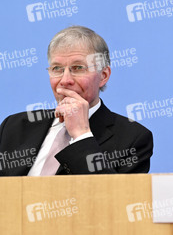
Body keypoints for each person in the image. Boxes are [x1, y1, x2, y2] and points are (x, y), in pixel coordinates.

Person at [0, 26, 153, 176]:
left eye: (78, 68)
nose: (65, 80)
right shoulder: (13, 127)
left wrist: (81, 135)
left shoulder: (133, 139)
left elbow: (112, 197)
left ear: (103, 75)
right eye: (57, 69)